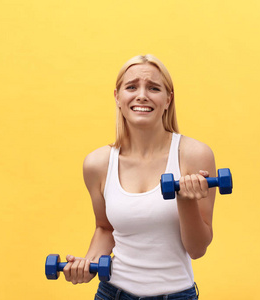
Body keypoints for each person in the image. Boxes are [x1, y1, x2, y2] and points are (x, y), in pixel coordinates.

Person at [63, 54, 216, 299]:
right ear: (118, 98)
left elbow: (197, 249)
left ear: (168, 99)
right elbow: (105, 228)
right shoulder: (98, 163)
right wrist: (87, 266)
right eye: (131, 87)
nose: (142, 95)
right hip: (113, 293)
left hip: (175, 294)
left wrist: (185, 199)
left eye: (153, 88)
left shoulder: (194, 155)